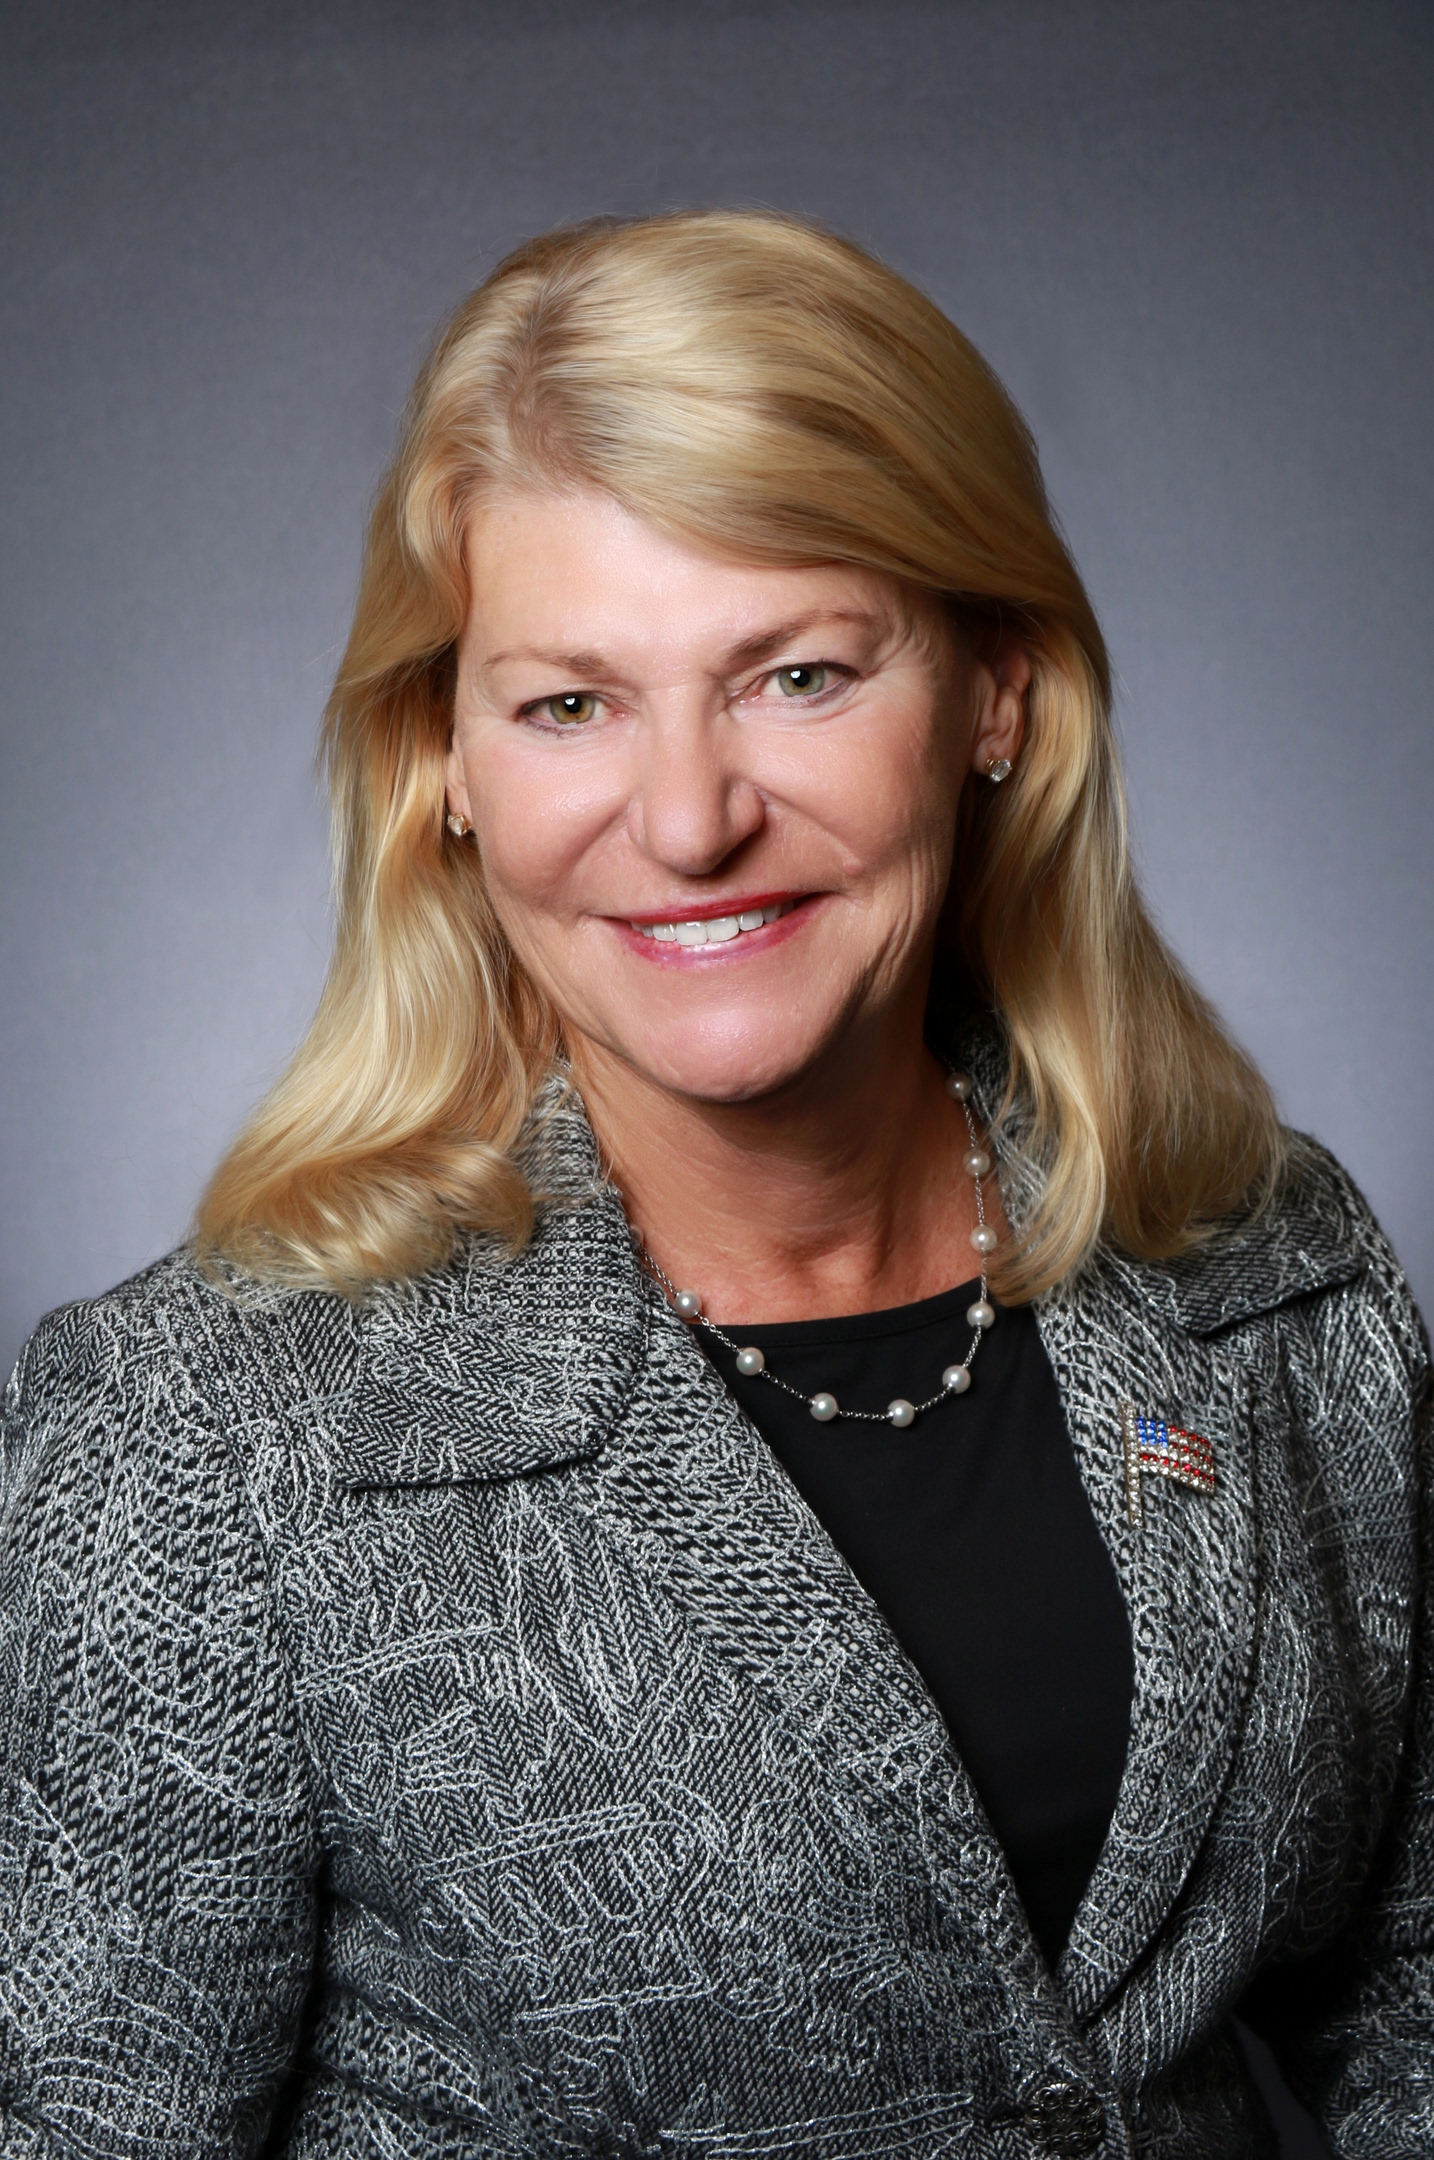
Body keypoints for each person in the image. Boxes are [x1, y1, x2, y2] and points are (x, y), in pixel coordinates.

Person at [1, 211, 1428, 2160]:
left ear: (996, 696)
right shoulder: (202, 1433)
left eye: (798, 674)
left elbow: (1408, 1987)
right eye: (568, 704)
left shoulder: (1273, 1270)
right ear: (446, 766)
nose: (688, 820)